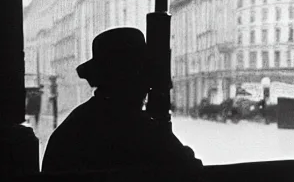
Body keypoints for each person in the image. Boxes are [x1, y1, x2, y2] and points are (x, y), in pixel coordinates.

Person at [42, 27, 202, 173]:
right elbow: (190, 170)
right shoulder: (141, 129)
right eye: (144, 76)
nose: (148, 87)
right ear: (133, 79)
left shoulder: (72, 127)